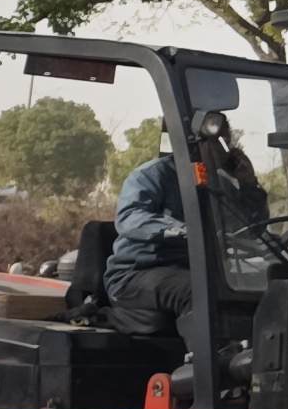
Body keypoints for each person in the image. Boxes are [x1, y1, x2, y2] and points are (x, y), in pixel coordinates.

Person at [105, 111, 268, 355]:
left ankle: (257, 361)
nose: (224, 149)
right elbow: (131, 218)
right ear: (195, 142)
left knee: (259, 285)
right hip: (136, 274)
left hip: (195, 269)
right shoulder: (152, 175)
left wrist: (248, 184)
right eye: (217, 141)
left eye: (226, 141)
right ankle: (210, 365)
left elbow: (253, 228)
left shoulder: (220, 186)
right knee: (198, 288)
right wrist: (182, 230)